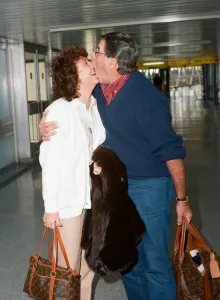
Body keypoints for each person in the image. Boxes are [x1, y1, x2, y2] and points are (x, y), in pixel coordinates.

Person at [39, 32, 193, 300]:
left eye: (96, 53)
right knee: (127, 260)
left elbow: (172, 153)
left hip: (149, 188)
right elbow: (68, 104)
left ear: (111, 62)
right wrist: (46, 122)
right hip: (114, 189)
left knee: (155, 262)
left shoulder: (146, 98)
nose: (92, 57)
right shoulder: (97, 91)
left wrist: (183, 198)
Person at [39, 46, 106, 299]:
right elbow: (50, 160)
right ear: (73, 76)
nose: (91, 64)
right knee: (68, 272)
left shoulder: (93, 106)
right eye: (85, 63)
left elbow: (94, 147)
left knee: (88, 268)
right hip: (67, 205)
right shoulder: (60, 110)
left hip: (91, 200)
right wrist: (51, 208)